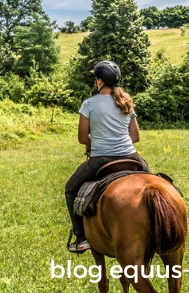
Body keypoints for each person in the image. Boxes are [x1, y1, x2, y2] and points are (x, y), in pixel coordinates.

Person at [65, 60, 150, 253]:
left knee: (70, 189)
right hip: (131, 156)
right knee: (156, 184)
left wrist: (97, 140)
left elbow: (81, 138)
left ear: (100, 81)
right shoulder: (126, 102)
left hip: (101, 159)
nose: (95, 81)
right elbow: (135, 137)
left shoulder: (89, 104)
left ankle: (82, 238)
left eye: (96, 78)